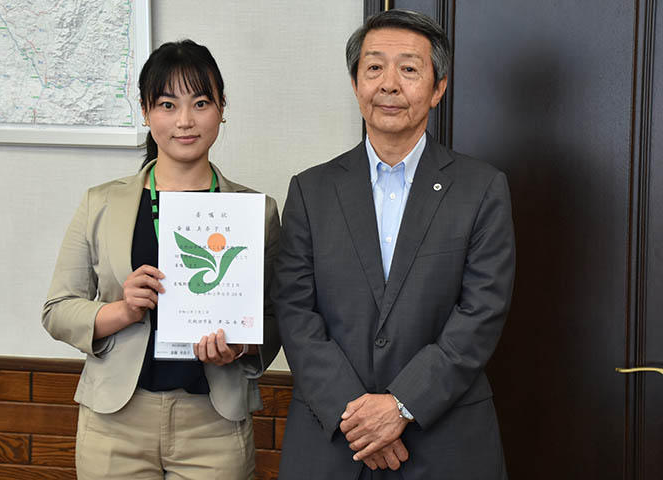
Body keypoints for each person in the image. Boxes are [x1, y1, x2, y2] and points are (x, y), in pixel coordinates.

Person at [273, 10, 514, 479]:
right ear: (355, 82)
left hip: (444, 439)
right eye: (374, 67)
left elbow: (482, 312)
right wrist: (361, 418)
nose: (389, 84)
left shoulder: (481, 188)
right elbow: (294, 309)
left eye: (408, 69)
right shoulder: (311, 190)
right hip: (333, 439)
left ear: (438, 87)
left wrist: (402, 405)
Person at [42, 40, 280, 480]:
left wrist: (241, 345)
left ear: (222, 108)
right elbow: (57, 310)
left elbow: (275, 320)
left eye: (201, 102)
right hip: (115, 423)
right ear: (147, 111)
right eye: (167, 104)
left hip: (214, 423)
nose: (185, 121)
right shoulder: (101, 203)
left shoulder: (255, 210)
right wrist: (122, 310)